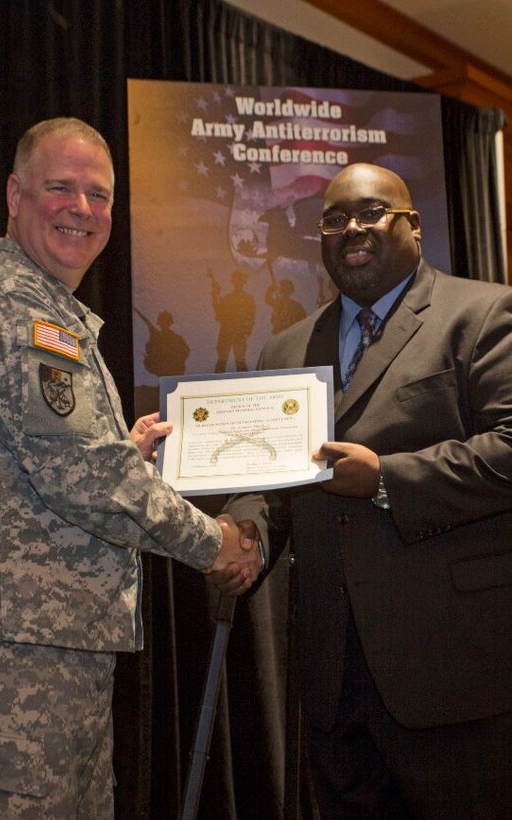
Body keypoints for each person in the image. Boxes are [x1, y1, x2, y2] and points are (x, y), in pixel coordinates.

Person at [0, 117, 262, 818]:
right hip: (6, 658)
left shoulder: (51, 312)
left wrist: (118, 450)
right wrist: (216, 543)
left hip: (46, 648)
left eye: (99, 194)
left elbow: (57, 460)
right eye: (60, 188)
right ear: (14, 195)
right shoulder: (11, 306)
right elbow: (82, 475)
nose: (82, 209)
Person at [213, 163, 512, 818]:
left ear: (412, 225)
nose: (352, 228)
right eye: (334, 218)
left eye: (371, 212)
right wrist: (248, 534)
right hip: (331, 673)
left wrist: (386, 480)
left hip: (450, 670)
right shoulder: (284, 350)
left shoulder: (482, 312)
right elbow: (265, 482)